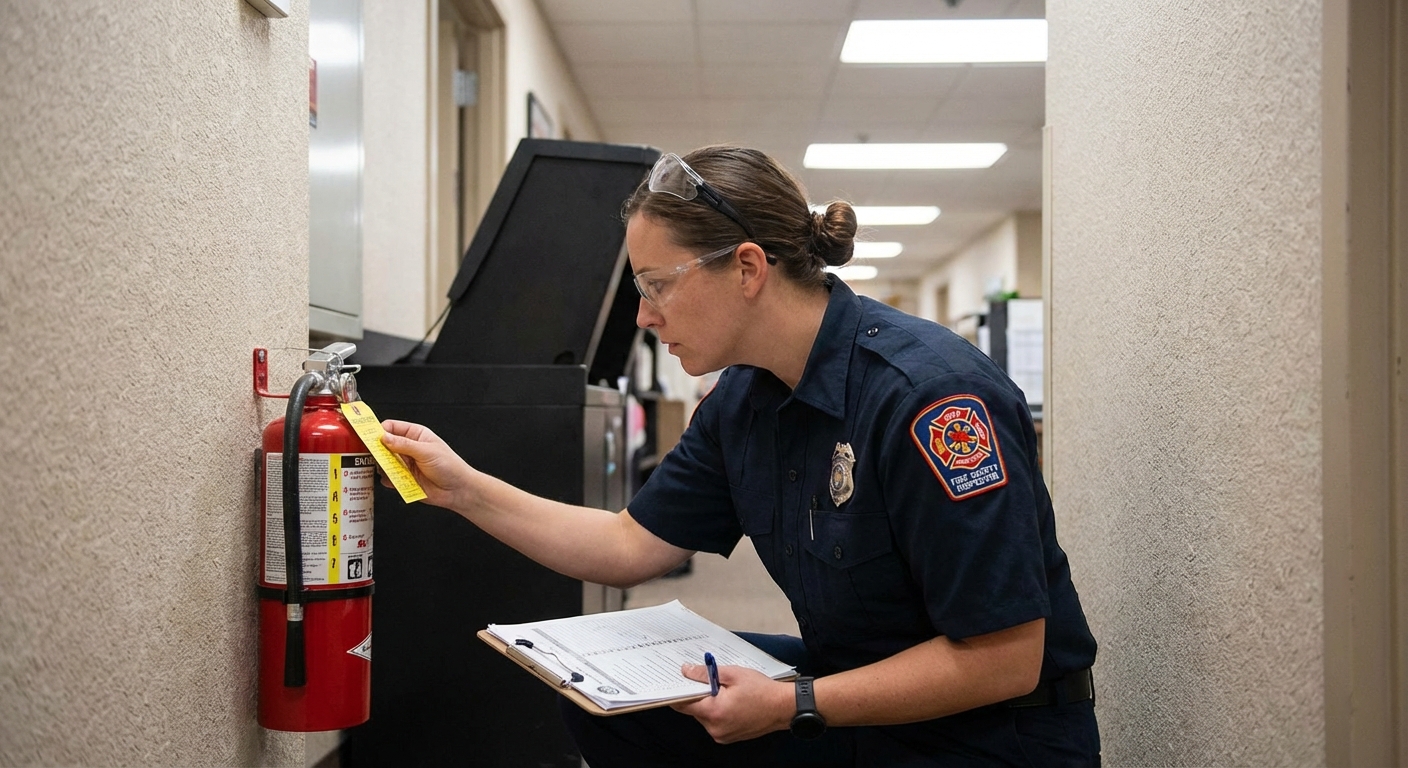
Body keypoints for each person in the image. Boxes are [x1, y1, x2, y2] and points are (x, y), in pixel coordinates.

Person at [378, 145, 1100, 767]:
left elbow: (1004, 659)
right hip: (853, 693)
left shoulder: (930, 400)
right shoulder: (744, 401)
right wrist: (464, 488)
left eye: (657, 285)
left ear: (748, 268)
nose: (644, 316)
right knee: (617, 706)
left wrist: (795, 704)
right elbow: (629, 544)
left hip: (989, 734)